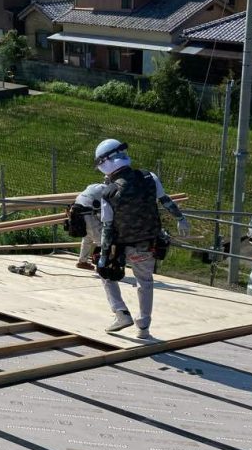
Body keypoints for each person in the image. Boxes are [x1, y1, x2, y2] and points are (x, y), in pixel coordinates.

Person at [93, 138, 189, 339]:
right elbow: (165, 201)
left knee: (106, 274)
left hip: (120, 246)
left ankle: (121, 313)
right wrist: (181, 219)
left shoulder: (108, 193)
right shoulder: (149, 177)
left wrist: (103, 255)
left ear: (106, 163)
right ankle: (143, 327)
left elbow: (107, 227)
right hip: (148, 243)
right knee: (145, 282)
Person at [71, 183, 105, 270]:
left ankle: (82, 261)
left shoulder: (93, 186)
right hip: (88, 214)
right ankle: (102, 266)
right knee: (102, 242)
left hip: (76, 212)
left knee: (87, 237)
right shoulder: (107, 189)